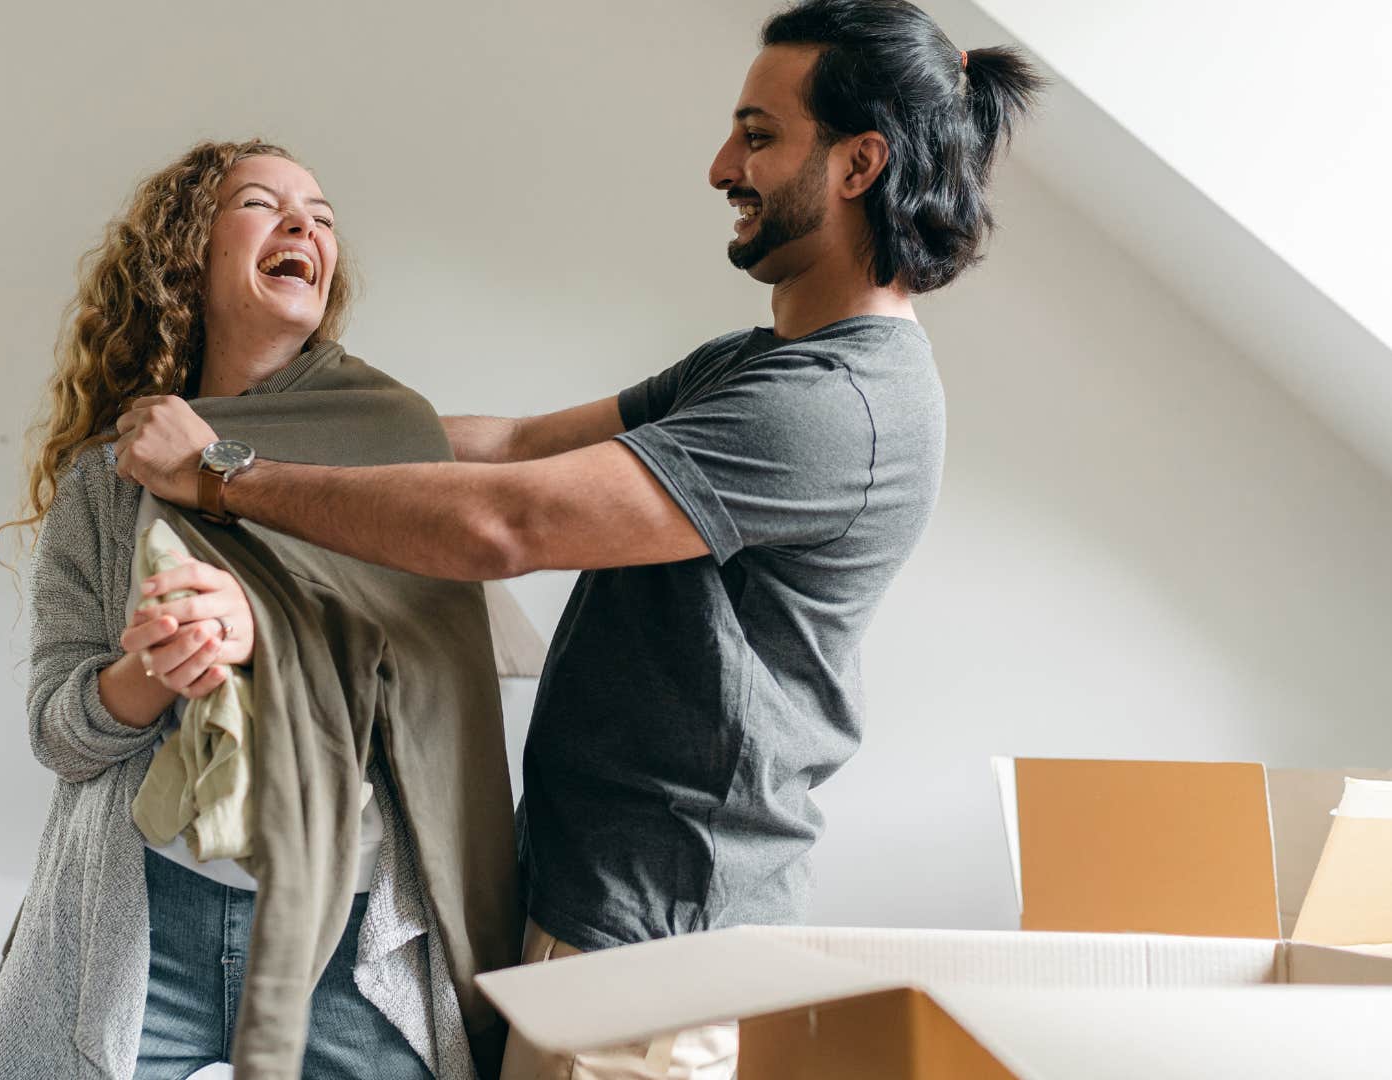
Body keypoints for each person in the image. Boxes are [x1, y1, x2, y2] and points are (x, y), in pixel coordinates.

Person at [118, 2, 1044, 1076]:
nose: (719, 166)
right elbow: (507, 446)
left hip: (654, 952)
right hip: (599, 916)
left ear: (858, 164)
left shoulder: (834, 406)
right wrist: (254, 423)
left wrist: (226, 476)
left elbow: (508, 523)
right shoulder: (756, 365)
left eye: (757, 134)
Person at [0, 139, 517, 1080]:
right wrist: (147, 672)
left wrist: (269, 632)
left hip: (347, 931)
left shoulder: (394, 442)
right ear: (190, 255)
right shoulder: (109, 477)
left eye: (323, 215)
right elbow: (60, 735)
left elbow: (436, 685)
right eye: (263, 203)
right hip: (145, 918)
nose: (306, 223)